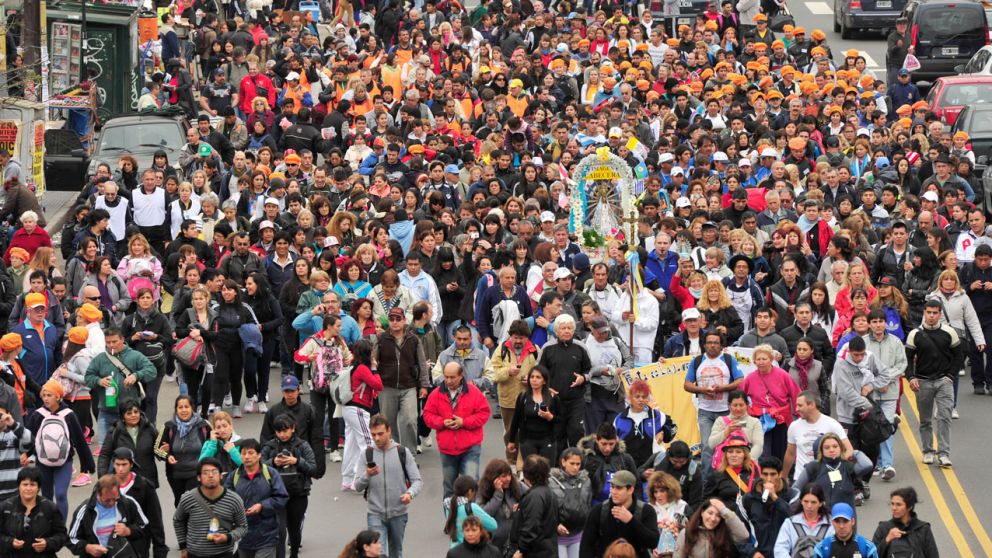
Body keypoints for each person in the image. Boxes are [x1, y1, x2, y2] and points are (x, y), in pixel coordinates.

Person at [352, 414, 423, 558]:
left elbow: (417, 481)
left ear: (389, 431)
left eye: (380, 434)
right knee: (379, 554)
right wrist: (367, 475)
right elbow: (357, 486)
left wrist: (410, 494)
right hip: (375, 513)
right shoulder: (366, 454)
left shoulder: (402, 452)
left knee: (396, 552)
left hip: (399, 513)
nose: (376, 438)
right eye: (373, 434)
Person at [904, 299, 963, 468]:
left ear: (940, 314)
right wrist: (911, 377)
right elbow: (907, 358)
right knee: (925, 420)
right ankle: (928, 451)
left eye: (935, 313)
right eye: (928, 312)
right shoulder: (915, 334)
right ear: (924, 312)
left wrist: (951, 376)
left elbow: (958, 356)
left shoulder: (949, 332)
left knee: (944, 418)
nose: (931, 316)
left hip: (944, 381)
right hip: (922, 381)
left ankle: (944, 454)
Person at [25, 381, 95, 521]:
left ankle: (61, 528)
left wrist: (87, 464)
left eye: (49, 395)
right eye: (43, 395)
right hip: (43, 463)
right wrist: (25, 454)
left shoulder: (68, 415)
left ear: (58, 397)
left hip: (64, 462)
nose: (45, 398)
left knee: (61, 494)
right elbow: (28, 437)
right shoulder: (38, 415)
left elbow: (79, 440)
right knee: (46, 496)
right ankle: (47, 526)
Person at [683, 331, 745, 486]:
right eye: (709, 342)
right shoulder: (697, 361)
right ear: (704, 345)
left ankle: (728, 481)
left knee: (730, 446)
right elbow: (687, 384)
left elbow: (740, 380)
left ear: (721, 345)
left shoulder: (728, 360)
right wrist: (702, 390)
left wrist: (723, 388)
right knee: (707, 446)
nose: (712, 345)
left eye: (716, 342)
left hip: (726, 412)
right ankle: (707, 483)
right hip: (705, 411)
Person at [423, 361, 492, 498]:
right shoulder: (436, 394)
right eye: (446, 377)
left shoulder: (474, 392)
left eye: (452, 377)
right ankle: (451, 519)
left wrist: (464, 422)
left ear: (461, 376)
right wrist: (442, 422)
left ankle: (471, 518)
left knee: (472, 486)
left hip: (470, 447)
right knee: (449, 488)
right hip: (447, 449)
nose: (448, 381)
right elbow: (427, 415)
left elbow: (484, 413)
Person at [85, 328, 157, 448]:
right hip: (106, 412)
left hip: (130, 414)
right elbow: (88, 377)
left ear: (122, 340)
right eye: (108, 342)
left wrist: (136, 375)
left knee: (130, 450)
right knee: (105, 449)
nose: (111, 345)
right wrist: (98, 381)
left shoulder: (134, 356)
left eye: (114, 341)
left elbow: (152, 371)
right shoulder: (100, 359)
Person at [372, 307, 430, 451]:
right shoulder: (381, 339)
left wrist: (424, 385)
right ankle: (394, 452)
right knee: (388, 423)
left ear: (404, 320)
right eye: (391, 319)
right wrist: (374, 378)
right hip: (386, 386)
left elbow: (422, 363)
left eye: (398, 319)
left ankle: (409, 454)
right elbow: (373, 362)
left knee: (410, 420)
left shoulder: (413, 339)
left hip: (409, 386)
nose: (395, 322)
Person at [261, 415, 318, 558]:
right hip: (275, 494)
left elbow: (313, 468)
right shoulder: (269, 447)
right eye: (279, 431)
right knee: (280, 529)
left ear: (293, 429)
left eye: (285, 430)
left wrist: (296, 461)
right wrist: (273, 462)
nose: (282, 434)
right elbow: (259, 468)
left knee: (294, 528)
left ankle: (293, 554)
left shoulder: (303, 445)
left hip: (298, 493)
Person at [222, 438, 289, 558]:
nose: (247, 457)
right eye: (243, 453)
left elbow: (281, 497)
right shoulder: (234, 477)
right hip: (243, 536)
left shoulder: (270, 474)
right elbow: (226, 500)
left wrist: (262, 506)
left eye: (251, 453)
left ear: (259, 455)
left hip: (267, 535)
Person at [172, 458, 249, 558]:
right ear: (199, 477)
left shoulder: (234, 500)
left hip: (224, 554)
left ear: (221, 476)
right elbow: (177, 520)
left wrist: (228, 537)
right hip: (194, 554)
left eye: (214, 472)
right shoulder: (188, 498)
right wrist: (183, 547)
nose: (211, 475)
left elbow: (243, 526)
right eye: (205, 473)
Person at [537, 314, 591, 447]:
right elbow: (538, 373)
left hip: (576, 400)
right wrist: (546, 388)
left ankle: (576, 465)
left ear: (573, 330)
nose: (567, 331)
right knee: (557, 436)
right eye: (563, 328)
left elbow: (590, 370)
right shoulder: (547, 348)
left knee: (576, 432)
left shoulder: (581, 347)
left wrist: (583, 378)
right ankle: (558, 466)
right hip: (555, 401)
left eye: (569, 328)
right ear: (556, 331)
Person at [738, 344, 800, 460]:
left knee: (780, 450)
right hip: (759, 419)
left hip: (780, 418)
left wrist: (800, 413)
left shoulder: (783, 375)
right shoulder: (750, 378)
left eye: (764, 359)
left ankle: (780, 476)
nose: (761, 362)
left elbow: (796, 393)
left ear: (771, 359)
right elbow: (740, 396)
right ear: (754, 361)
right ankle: (763, 476)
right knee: (762, 452)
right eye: (758, 359)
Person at [579, 468, 659, 558]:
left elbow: (653, 542)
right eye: (612, 487)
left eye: (619, 488)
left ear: (630, 490)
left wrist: (631, 520)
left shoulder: (646, 510)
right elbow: (586, 546)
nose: (613, 492)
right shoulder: (599, 510)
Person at [488, 320, 538, 462]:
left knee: (528, 432)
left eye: (521, 338)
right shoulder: (501, 349)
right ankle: (512, 462)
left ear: (527, 338)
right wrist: (508, 372)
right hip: (508, 400)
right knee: (510, 433)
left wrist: (531, 379)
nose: (517, 341)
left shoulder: (535, 350)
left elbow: (542, 372)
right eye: (515, 337)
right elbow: (492, 373)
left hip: (529, 399)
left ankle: (526, 463)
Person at [259, 375, 325, 482]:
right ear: (282, 392)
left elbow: (316, 438)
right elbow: (265, 437)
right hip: (278, 461)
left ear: (298, 390)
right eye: (286, 391)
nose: (289, 394)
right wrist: (270, 460)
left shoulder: (309, 411)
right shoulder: (273, 411)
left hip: (301, 460)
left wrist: (319, 466)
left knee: (300, 491)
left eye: (292, 391)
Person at [66, 475, 148, 558]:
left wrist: (128, 531)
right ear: (98, 493)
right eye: (107, 500)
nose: (112, 503)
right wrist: (87, 548)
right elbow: (72, 539)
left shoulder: (128, 503)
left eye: (115, 498)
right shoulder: (85, 510)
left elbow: (143, 526)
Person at [108, 447, 168, 558]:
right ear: (113, 464)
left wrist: (160, 549)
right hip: (110, 544)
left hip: (138, 543)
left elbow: (155, 519)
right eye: (117, 464)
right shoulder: (105, 486)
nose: (120, 468)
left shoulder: (144, 486)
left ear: (131, 464)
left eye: (124, 464)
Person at [154, 395, 212, 507]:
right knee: (180, 504)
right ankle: (182, 524)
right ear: (176, 409)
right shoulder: (168, 427)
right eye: (180, 407)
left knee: (193, 503)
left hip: (197, 473)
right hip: (176, 475)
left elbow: (215, 444)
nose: (184, 410)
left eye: (187, 406)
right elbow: (156, 448)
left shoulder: (203, 426)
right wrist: (167, 455)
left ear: (192, 408)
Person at [0, 466, 67, 558]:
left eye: (32, 484)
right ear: (18, 486)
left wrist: (47, 543)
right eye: (25, 484)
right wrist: (9, 542)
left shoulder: (50, 508)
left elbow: (62, 535)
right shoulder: (4, 508)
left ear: (38, 487)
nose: (28, 488)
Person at [794, 433, 871, 510]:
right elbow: (796, 488)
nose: (831, 450)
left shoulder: (848, 466)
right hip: (821, 516)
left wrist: (853, 452)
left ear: (841, 448)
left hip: (844, 518)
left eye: (835, 446)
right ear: (821, 450)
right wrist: (802, 505)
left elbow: (867, 465)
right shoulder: (813, 467)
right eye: (827, 448)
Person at [504, 365, 562, 465]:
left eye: (538, 377)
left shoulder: (553, 398)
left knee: (547, 472)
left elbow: (561, 420)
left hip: (547, 439)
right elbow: (516, 420)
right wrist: (511, 441)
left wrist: (550, 417)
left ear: (544, 381)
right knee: (531, 471)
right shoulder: (523, 397)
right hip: (527, 440)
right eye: (532, 377)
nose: (534, 380)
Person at [613, 380, 677, 468]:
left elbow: (674, 427)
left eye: (644, 397)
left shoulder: (657, 415)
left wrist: (664, 432)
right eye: (637, 396)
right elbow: (612, 441)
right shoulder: (620, 419)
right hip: (627, 468)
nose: (641, 400)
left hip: (652, 468)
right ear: (630, 398)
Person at [97, 400, 160, 489]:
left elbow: (159, 452)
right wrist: (103, 479)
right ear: (123, 416)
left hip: (148, 480)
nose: (133, 415)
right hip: (123, 482)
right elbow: (105, 455)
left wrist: (165, 452)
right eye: (129, 413)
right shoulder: (115, 431)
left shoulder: (150, 428)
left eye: (136, 412)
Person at [741, 456, 796, 558]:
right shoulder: (748, 499)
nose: (769, 479)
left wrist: (775, 498)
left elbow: (794, 518)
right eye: (765, 474)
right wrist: (752, 552)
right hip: (758, 555)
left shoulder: (792, 495)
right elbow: (740, 533)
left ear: (780, 474)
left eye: (773, 474)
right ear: (760, 474)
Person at [505, 455, 558, 558]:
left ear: (527, 473)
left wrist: (520, 550)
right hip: (546, 550)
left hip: (534, 552)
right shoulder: (549, 492)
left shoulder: (535, 496)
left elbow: (532, 526)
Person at [871, 487, 939, 558]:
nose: (894, 508)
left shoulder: (923, 529)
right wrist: (887, 539)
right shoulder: (883, 528)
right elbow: (872, 555)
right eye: (892, 504)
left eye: (898, 504)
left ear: (909, 507)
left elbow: (933, 555)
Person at [550, 447, 592, 558]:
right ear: (563, 462)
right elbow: (547, 508)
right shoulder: (550, 481)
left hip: (578, 535)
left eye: (578, 464)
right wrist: (555, 525)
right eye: (572, 463)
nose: (575, 467)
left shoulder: (586, 481)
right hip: (558, 537)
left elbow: (588, 505)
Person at [674, 498, 750, 558]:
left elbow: (744, 536)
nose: (713, 518)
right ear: (702, 512)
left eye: (718, 515)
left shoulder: (725, 533)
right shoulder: (687, 533)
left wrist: (724, 510)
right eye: (710, 513)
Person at [774, 483, 834, 558]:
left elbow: (836, 549)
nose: (809, 506)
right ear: (801, 501)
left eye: (813, 502)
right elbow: (780, 549)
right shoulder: (789, 523)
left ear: (821, 503)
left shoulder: (831, 524)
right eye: (806, 501)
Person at [708, 390, 764, 467]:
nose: (738, 408)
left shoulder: (754, 422)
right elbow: (711, 444)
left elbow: (758, 445)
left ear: (747, 405)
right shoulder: (721, 421)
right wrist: (727, 431)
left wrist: (744, 461)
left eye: (741, 405)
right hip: (725, 468)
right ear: (729, 405)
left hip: (747, 466)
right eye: (735, 405)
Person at [813, 503, 879, 558]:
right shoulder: (821, 548)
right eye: (837, 521)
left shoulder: (867, 547)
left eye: (845, 521)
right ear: (832, 522)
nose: (841, 526)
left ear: (853, 521)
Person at [198, 411, 243, 478]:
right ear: (214, 429)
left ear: (230, 426)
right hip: (215, 481)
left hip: (236, 480)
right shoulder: (209, 443)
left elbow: (246, 466)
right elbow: (201, 464)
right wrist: (213, 444)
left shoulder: (240, 442)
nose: (222, 430)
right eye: (218, 427)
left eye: (225, 426)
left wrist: (233, 451)